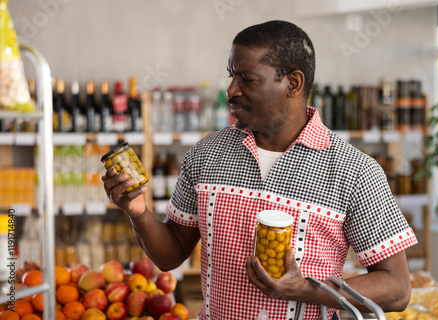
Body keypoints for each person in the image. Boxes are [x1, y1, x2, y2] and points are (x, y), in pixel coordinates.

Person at [103, 20, 417, 320]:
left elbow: (397, 288)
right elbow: (170, 255)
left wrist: (307, 290)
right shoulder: (206, 154)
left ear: (293, 83)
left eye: (247, 79)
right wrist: (138, 211)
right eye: (231, 76)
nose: (231, 90)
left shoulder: (354, 170)